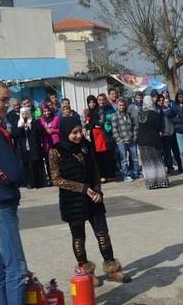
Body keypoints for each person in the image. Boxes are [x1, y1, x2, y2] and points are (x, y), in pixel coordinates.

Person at [0, 79, 56, 305]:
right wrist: (8, 171)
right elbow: (15, 172)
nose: (7, 104)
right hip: (0, 204)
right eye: (2, 99)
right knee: (14, 269)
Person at [49, 116, 131, 285]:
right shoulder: (55, 151)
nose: (79, 136)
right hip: (72, 201)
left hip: (93, 197)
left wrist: (98, 191)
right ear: (65, 133)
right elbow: (56, 179)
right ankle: (86, 272)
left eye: (80, 131)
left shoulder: (85, 145)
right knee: (79, 239)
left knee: (103, 235)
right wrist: (83, 188)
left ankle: (112, 270)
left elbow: (95, 170)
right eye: (74, 133)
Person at [137, 96, 170, 189]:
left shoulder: (140, 114)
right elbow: (159, 126)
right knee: (157, 161)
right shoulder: (154, 113)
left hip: (142, 141)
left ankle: (151, 183)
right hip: (153, 140)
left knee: (147, 162)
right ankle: (161, 181)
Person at [10, 107, 46, 189]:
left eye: (26, 114)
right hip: (22, 148)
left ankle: (37, 182)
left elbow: (40, 130)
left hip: (33, 147)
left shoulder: (34, 121)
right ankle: (28, 183)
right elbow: (13, 134)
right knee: (25, 165)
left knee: (34, 164)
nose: (25, 115)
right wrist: (20, 128)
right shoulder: (17, 123)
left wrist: (31, 126)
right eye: (23, 114)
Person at [111, 98, 140, 182]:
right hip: (122, 142)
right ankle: (126, 175)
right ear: (117, 106)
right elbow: (114, 130)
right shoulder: (114, 116)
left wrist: (135, 137)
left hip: (131, 140)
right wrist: (119, 139)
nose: (122, 107)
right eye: (120, 105)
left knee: (135, 159)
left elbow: (134, 126)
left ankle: (136, 173)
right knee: (124, 160)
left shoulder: (129, 114)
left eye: (123, 105)